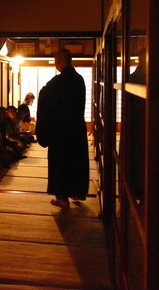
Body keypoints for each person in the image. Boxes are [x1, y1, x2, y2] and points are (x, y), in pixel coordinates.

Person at [36, 49, 90, 210]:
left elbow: (45, 105)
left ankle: (62, 198)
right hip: (77, 130)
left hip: (59, 133)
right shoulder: (79, 80)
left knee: (61, 165)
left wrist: (44, 132)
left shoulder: (54, 84)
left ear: (59, 61)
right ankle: (78, 192)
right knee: (77, 162)